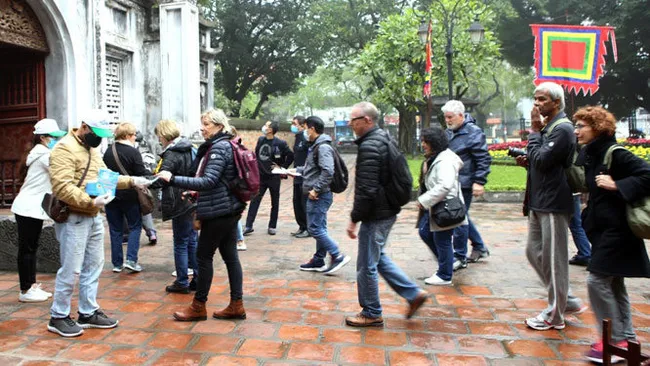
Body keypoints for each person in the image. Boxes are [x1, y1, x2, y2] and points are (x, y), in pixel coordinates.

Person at [48, 109, 151, 337]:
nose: (99, 138)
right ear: (84, 126)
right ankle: (58, 315)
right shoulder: (64, 148)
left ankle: (87, 311)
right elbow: (62, 187)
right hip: (74, 216)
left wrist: (132, 181)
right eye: (96, 133)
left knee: (93, 265)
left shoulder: (93, 150)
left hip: (94, 216)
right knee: (72, 269)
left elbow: (106, 176)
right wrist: (90, 201)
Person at [573, 106, 650, 363]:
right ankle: (626, 338)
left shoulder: (615, 153)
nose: (576, 130)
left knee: (597, 280)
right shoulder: (591, 153)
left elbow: (647, 173)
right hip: (603, 229)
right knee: (613, 282)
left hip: (619, 230)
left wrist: (618, 185)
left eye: (582, 125)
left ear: (597, 128)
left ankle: (614, 339)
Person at [157, 108, 247, 322]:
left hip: (219, 211)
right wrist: (193, 191)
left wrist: (174, 179)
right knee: (230, 257)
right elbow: (217, 182)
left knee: (203, 257)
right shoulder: (224, 145)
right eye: (203, 123)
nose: (202, 128)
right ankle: (236, 304)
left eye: (206, 124)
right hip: (228, 208)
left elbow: (209, 181)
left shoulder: (218, 148)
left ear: (218, 125)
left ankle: (199, 306)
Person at [345, 101, 427, 327]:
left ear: (367, 120)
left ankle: (371, 311)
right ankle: (413, 294)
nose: (351, 124)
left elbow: (366, 190)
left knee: (366, 265)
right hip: (387, 209)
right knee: (377, 258)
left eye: (354, 120)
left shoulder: (371, 145)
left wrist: (354, 219)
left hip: (377, 213)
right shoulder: (382, 138)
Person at [517, 82, 585, 331]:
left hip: (554, 202)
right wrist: (530, 159)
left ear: (556, 102)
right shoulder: (549, 128)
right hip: (539, 200)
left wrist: (534, 133)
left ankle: (555, 315)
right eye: (535, 99)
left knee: (555, 259)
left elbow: (544, 161)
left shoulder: (563, 129)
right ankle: (566, 300)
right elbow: (540, 161)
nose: (537, 104)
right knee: (533, 251)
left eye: (542, 99)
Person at [11, 118, 66, 303]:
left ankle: (30, 286)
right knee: (27, 249)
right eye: (53, 137)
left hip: (30, 208)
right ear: (43, 138)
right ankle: (26, 290)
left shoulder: (40, 152)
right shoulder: (43, 155)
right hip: (28, 208)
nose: (56, 140)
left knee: (30, 248)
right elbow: (62, 171)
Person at [291, 116, 351, 274]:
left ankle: (337, 255)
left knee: (315, 228)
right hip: (318, 194)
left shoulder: (322, 147)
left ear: (311, 128)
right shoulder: (316, 145)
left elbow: (328, 171)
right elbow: (313, 169)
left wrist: (316, 189)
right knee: (320, 227)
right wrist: (296, 171)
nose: (304, 131)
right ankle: (318, 260)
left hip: (318, 195)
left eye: (305, 128)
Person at [441, 100, 491, 268]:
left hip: (465, 181)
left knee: (458, 219)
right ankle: (479, 246)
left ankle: (459, 255)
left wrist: (479, 181)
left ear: (461, 116)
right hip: (451, 181)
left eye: (450, 117)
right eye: (445, 117)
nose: (447, 121)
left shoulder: (473, 132)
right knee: (462, 215)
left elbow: (483, 158)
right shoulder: (449, 132)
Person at [152, 119, 198, 293]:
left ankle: (182, 281)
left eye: (159, 136)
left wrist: (144, 182)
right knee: (192, 239)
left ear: (163, 135)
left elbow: (162, 178)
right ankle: (197, 278)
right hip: (191, 197)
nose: (158, 140)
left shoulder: (172, 153)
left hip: (178, 200)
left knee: (180, 242)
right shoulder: (189, 147)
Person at [417, 127, 467, 285]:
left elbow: (444, 186)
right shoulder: (436, 157)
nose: (423, 144)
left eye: (426, 141)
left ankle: (445, 274)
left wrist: (424, 200)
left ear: (435, 143)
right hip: (437, 205)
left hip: (445, 207)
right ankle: (447, 262)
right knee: (426, 232)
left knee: (442, 239)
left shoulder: (444, 160)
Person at [103, 122, 151, 273]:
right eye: (134, 135)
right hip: (130, 194)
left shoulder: (108, 151)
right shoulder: (133, 152)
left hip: (111, 194)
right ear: (128, 135)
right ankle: (131, 259)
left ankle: (117, 264)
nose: (135, 137)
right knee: (135, 226)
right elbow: (141, 173)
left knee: (115, 229)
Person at [244, 121, 294, 236]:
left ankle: (272, 226)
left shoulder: (280, 143)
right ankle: (248, 225)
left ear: (271, 130)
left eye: (267, 125)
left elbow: (291, 155)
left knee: (274, 202)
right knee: (255, 200)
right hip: (261, 177)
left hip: (274, 177)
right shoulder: (261, 140)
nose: (264, 127)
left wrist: (282, 168)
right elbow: (257, 155)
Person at [290, 115, 310, 238]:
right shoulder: (297, 138)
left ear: (302, 126)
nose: (292, 126)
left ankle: (308, 228)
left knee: (304, 203)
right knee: (296, 202)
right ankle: (301, 226)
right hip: (297, 174)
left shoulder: (306, 138)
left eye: (294, 123)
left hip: (305, 176)